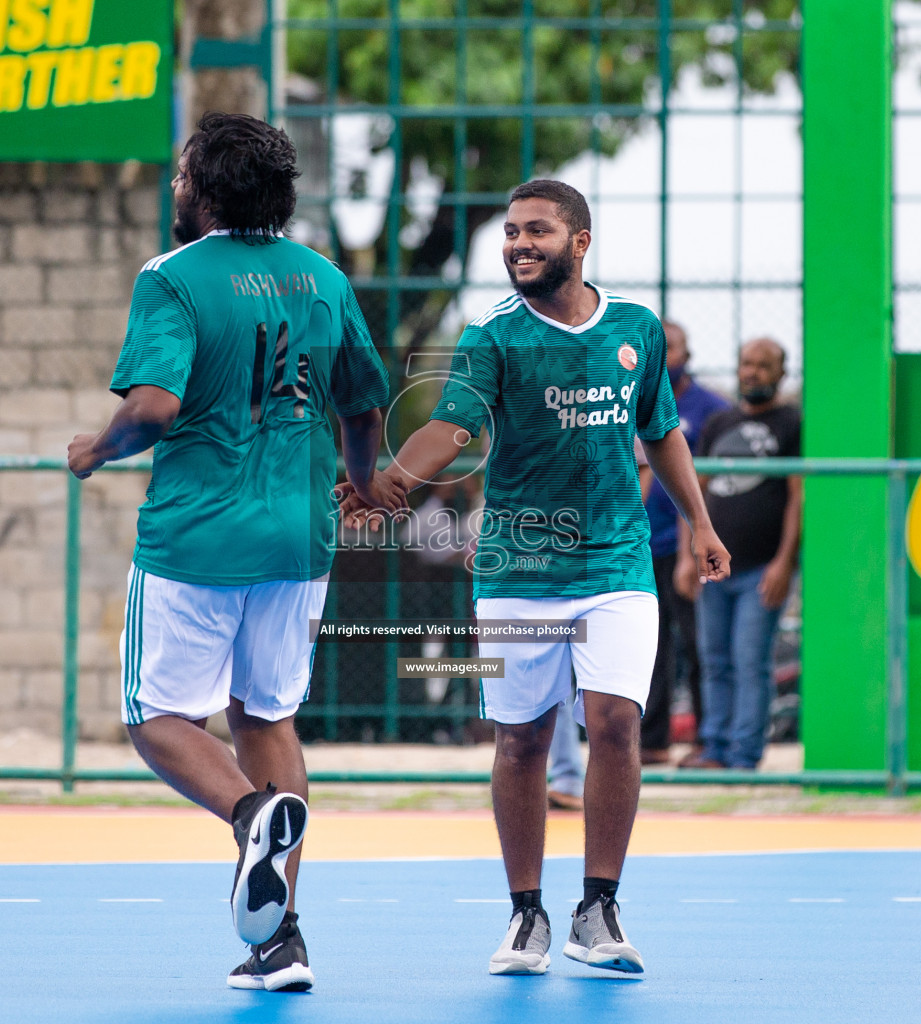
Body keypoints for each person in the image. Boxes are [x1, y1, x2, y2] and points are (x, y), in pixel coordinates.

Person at [340, 179, 730, 977]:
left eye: (538, 231)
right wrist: (393, 482)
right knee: (521, 740)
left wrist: (701, 521)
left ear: (580, 241)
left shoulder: (636, 329)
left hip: (616, 562)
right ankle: (526, 916)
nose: (519, 244)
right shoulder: (493, 337)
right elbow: (452, 426)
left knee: (616, 721)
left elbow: (661, 433)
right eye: (512, 232)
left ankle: (599, 907)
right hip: (519, 566)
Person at [66, 112, 402, 992]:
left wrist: (95, 450)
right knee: (267, 716)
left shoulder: (172, 277)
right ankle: (281, 939)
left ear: (205, 190)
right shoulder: (323, 278)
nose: (175, 187)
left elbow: (152, 408)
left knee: (154, 718)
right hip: (299, 536)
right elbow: (363, 405)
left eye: (182, 174)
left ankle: (252, 814)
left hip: (198, 535)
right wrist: (363, 483)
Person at [675, 338, 801, 771]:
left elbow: (797, 499)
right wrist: (687, 557)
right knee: (715, 661)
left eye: (764, 365)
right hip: (715, 569)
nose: (753, 372)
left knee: (750, 661)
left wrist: (784, 563)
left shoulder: (793, 423)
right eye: (747, 363)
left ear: (781, 374)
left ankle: (743, 756)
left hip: (762, 569)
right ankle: (714, 749)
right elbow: (693, 493)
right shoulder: (718, 423)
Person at [635, 321, 730, 765]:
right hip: (639, 545)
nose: (666, 357)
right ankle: (651, 741)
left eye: (672, 348)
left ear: (688, 353)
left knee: (698, 644)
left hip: (684, 547)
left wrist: (696, 542)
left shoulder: (712, 410)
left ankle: (707, 739)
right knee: (647, 648)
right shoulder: (626, 398)